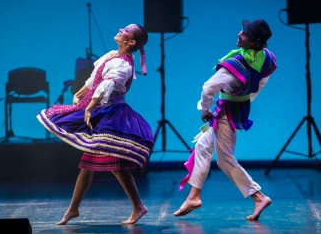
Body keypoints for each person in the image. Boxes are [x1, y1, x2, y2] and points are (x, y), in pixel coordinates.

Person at [37, 24, 153, 225]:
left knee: (106, 164)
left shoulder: (123, 64)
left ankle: (136, 207)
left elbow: (105, 87)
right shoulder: (111, 56)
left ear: (131, 42)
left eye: (125, 30)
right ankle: (75, 209)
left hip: (110, 115)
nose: (120, 29)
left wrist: (89, 108)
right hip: (102, 111)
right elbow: (94, 81)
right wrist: (80, 93)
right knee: (95, 165)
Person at [173, 19, 277, 221]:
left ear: (254, 43)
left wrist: (204, 110)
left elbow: (207, 89)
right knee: (203, 147)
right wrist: (244, 98)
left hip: (226, 113)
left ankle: (259, 197)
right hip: (238, 108)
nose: (239, 34)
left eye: (245, 34)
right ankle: (194, 196)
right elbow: (261, 82)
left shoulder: (234, 65)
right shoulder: (267, 57)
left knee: (225, 159)